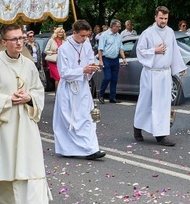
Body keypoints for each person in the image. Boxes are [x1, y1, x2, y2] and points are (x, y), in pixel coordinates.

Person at [0, 24, 55, 204]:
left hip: (25, 124)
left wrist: (30, 97)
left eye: (21, 38)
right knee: (6, 168)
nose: (19, 42)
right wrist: (8, 99)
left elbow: (38, 90)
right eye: (14, 39)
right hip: (3, 126)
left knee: (30, 166)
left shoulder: (29, 65)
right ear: (4, 42)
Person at [132, 7, 186, 146]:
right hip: (151, 73)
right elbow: (140, 51)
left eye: (166, 19)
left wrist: (179, 68)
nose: (163, 21)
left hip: (164, 74)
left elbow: (174, 51)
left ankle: (161, 135)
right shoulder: (147, 33)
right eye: (161, 18)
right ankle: (137, 128)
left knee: (162, 105)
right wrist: (154, 50)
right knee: (146, 103)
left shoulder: (170, 32)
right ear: (155, 17)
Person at [53, 20, 105, 160]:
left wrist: (92, 67)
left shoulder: (86, 44)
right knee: (71, 120)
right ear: (74, 33)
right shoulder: (64, 48)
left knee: (86, 118)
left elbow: (90, 60)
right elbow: (63, 73)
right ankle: (69, 149)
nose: (85, 39)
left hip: (82, 86)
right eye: (82, 36)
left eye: (87, 36)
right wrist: (83, 70)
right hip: (69, 88)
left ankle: (91, 149)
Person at [97, 19, 128, 104]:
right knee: (107, 77)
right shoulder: (104, 35)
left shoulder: (118, 36)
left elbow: (121, 48)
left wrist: (124, 58)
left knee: (114, 79)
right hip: (106, 59)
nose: (119, 28)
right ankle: (101, 95)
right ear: (113, 26)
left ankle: (112, 97)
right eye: (118, 26)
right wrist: (100, 61)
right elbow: (100, 49)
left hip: (115, 59)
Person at [44, 27, 65, 91]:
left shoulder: (64, 41)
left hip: (61, 61)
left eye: (62, 32)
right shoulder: (51, 40)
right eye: (59, 32)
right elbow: (45, 51)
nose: (61, 33)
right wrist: (53, 52)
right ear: (56, 33)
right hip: (52, 61)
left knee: (61, 78)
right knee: (58, 77)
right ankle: (57, 95)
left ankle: (60, 95)